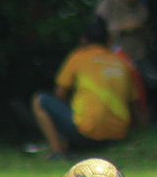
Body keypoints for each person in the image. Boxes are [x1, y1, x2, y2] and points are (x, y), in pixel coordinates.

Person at [31, 17, 145, 158]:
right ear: (109, 41)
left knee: (40, 100)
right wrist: (144, 130)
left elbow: (60, 94)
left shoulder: (78, 57)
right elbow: (135, 105)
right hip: (118, 135)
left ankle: (57, 151)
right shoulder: (121, 63)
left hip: (87, 132)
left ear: (83, 40)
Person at [95, 0, 149, 121]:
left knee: (136, 92)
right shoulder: (108, 5)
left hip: (136, 55)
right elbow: (99, 30)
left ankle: (139, 123)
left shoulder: (140, 7)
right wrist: (123, 28)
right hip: (113, 58)